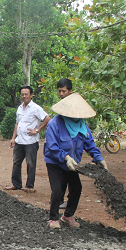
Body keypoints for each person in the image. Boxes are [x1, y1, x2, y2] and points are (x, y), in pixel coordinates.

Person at [44, 93, 107, 229]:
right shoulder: (54, 124)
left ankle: (67, 216)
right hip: (55, 161)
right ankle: (53, 218)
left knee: (76, 188)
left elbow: (90, 144)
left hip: (72, 163)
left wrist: (99, 158)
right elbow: (52, 146)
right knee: (57, 190)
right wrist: (65, 157)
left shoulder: (82, 126)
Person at [4, 86, 51, 193]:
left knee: (30, 163)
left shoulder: (36, 108)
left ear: (31, 95)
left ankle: (29, 186)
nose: (24, 96)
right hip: (19, 140)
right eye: (22, 94)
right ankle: (16, 184)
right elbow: (17, 124)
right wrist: (13, 138)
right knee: (16, 162)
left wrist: (37, 130)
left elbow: (47, 119)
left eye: (26, 94)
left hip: (31, 141)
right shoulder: (20, 108)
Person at [56, 78, 73, 208]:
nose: (61, 94)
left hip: (72, 147)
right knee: (61, 175)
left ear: (70, 91)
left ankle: (69, 201)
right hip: (61, 147)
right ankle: (60, 200)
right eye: (59, 91)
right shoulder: (59, 108)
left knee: (72, 177)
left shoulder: (74, 108)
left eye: (64, 91)